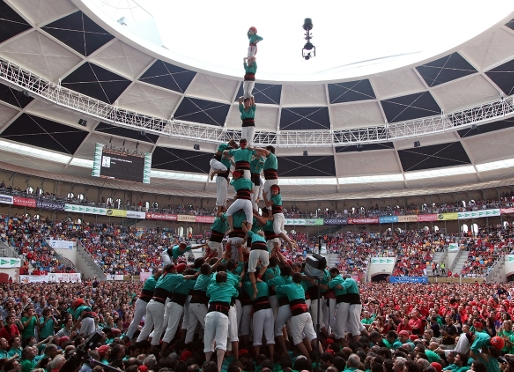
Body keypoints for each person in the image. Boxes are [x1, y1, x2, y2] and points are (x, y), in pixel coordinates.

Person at [276, 272, 320, 362]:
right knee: (313, 336)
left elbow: (276, 288)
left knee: (297, 340)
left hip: (298, 315)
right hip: (306, 313)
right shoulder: (301, 287)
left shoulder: (289, 287)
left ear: (292, 279)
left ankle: (308, 359)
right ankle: (321, 356)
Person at [204, 271, 239, 372]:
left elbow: (208, 294)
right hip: (223, 315)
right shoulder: (230, 287)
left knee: (209, 341)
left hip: (210, 314)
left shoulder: (211, 287)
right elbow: (236, 294)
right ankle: (218, 368)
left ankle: (207, 364)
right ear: (226, 279)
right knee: (221, 342)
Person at [126, 268, 161, 339]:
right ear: (156, 273)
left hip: (148, 304)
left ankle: (142, 337)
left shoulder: (157, 279)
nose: (161, 276)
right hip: (142, 302)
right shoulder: (151, 280)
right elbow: (159, 287)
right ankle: (128, 336)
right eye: (160, 274)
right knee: (136, 321)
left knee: (149, 323)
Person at [225, 170, 253, 234]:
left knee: (229, 213)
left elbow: (231, 182)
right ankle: (248, 234)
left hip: (240, 200)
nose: (232, 177)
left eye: (233, 176)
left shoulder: (235, 182)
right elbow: (252, 191)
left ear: (237, 176)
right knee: (250, 219)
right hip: (248, 201)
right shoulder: (249, 181)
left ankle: (231, 228)